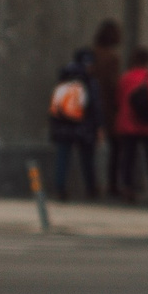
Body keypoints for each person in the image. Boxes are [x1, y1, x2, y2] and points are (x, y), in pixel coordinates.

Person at [113, 46, 148, 203]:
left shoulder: (125, 77)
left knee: (128, 157)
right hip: (146, 124)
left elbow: (118, 100)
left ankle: (127, 187)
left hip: (127, 123)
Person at [47, 50, 100, 201]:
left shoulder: (64, 76)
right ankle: (91, 189)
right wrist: (99, 126)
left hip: (61, 125)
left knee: (63, 158)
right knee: (87, 159)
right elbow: (95, 105)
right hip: (83, 125)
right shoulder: (89, 81)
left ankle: (60, 189)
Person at [90, 20, 125, 198]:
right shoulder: (112, 58)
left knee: (89, 148)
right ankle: (112, 185)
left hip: (90, 106)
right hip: (108, 109)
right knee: (116, 149)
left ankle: (92, 185)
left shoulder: (91, 55)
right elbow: (113, 86)